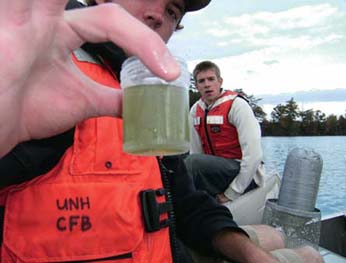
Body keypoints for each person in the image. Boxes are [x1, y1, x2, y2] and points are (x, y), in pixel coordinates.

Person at [0, 1, 324, 263]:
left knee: (281, 242)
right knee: (308, 256)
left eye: (172, 11)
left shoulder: (149, 105)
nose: (158, 15)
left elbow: (182, 198)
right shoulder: (30, 83)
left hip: (171, 245)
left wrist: (248, 252)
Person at [185, 60, 265, 203]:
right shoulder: (195, 110)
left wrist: (231, 193)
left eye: (211, 79)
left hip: (245, 174)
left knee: (192, 163)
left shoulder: (237, 105)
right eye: (201, 81)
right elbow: (196, 151)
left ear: (220, 81)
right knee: (181, 162)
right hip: (215, 173)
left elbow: (254, 155)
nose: (207, 84)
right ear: (196, 86)